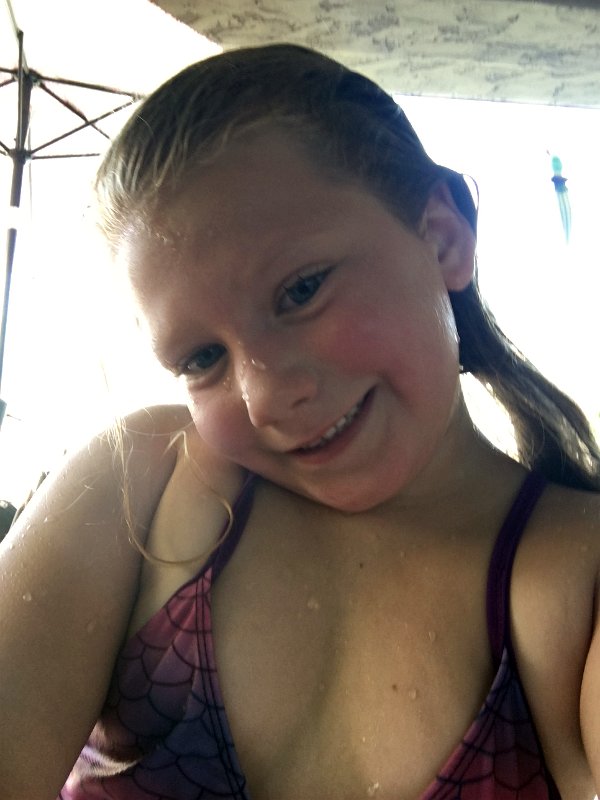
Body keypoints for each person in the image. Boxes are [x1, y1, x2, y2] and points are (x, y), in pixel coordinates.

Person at [0, 43, 599, 800]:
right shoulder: (143, 487)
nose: (264, 395)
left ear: (444, 236)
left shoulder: (576, 577)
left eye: (302, 291)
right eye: (202, 359)